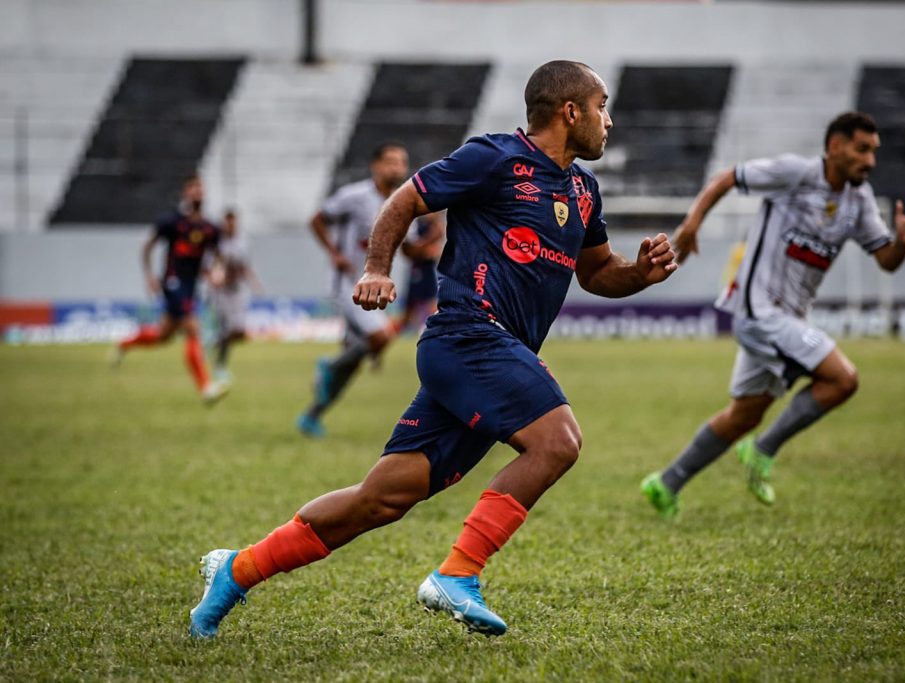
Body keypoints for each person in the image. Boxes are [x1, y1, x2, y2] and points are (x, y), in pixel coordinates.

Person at [189, 60, 678, 639]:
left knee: (381, 499)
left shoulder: (583, 190)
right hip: (467, 336)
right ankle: (458, 573)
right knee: (558, 440)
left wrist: (639, 274)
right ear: (570, 112)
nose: (609, 121)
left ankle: (235, 570)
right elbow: (404, 200)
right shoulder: (494, 158)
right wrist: (376, 268)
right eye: (602, 107)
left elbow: (597, 273)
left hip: (491, 356)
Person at [641, 112, 905, 520]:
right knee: (843, 379)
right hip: (760, 311)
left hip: (788, 320)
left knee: (745, 415)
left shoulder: (859, 201)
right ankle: (762, 450)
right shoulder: (795, 173)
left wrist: (902, 243)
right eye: (862, 150)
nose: (870, 161)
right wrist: (691, 225)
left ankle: (666, 483)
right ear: (835, 147)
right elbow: (727, 177)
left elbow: (886, 260)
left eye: (874, 152)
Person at [296, 143, 410, 438]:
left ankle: (311, 416)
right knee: (380, 336)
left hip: (371, 291)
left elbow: (405, 247)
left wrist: (431, 244)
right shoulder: (355, 196)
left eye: (401, 163)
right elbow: (317, 219)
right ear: (376, 166)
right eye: (390, 161)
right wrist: (334, 252)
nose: (397, 168)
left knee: (354, 360)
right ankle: (328, 365)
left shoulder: (403, 201)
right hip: (346, 284)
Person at [111, 173, 230, 404]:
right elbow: (147, 247)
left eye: (200, 188)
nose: (198, 192)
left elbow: (219, 256)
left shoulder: (209, 228)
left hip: (191, 286)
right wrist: (148, 276)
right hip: (173, 283)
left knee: (163, 336)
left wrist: (218, 271)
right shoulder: (172, 222)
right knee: (193, 328)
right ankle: (206, 388)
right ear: (185, 193)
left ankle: (125, 343)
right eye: (193, 188)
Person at [207, 209, 263, 381]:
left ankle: (215, 342)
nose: (230, 226)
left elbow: (244, 265)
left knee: (239, 332)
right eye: (227, 222)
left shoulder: (242, 242)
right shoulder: (217, 242)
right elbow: (210, 264)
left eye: (233, 222)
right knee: (227, 328)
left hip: (237, 290)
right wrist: (214, 278)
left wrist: (254, 282)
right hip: (221, 292)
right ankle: (220, 366)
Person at [394, 211, 445, 333]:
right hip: (418, 272)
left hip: (428, 271)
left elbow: (435, 249)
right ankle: (387, 333)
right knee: (409, 313)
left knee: (432, 305)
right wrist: (425, 249)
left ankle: (437, 331)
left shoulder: (433, 226)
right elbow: (412, 250)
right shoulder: (419, 226)